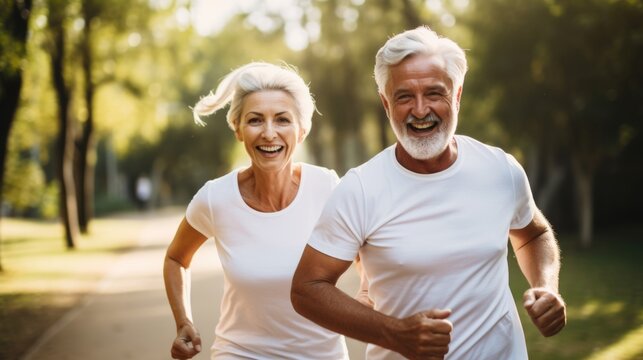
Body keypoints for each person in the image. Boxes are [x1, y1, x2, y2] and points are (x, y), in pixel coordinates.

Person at [291, 26, 567, 359]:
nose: (420, 110)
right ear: (385, 103)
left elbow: (532, 234)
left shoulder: (499, 169)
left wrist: (546, 287)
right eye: (404, 96)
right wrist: (395, 334)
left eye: (434, 93)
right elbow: (307, 289)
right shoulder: (361, 188)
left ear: (458, 95)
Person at [163, 62, 349, 360]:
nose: (269, 133)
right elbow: (176, 258)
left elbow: (369, 256)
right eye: (255, 120)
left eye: (282, 120)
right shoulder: (215, 198)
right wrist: (183, 321)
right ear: (237, 128)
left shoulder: (326, 187)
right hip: (240, 353)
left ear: (301, 130)